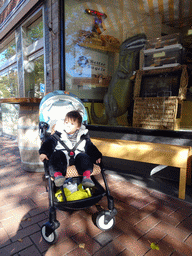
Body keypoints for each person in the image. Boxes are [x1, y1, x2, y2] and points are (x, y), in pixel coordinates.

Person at [39, 110, 102, 188]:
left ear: (78, 127)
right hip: (63, 159)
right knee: (56, 155)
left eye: (72, 124)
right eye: (66, 123)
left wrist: (97, 156)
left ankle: (87, 177)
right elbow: (49, 143)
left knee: (84, 156)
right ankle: (58, 176)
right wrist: (44, 152)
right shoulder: (58, 134)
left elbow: (90, 147)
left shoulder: (83, 136)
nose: (68, 125)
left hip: (78, 158)